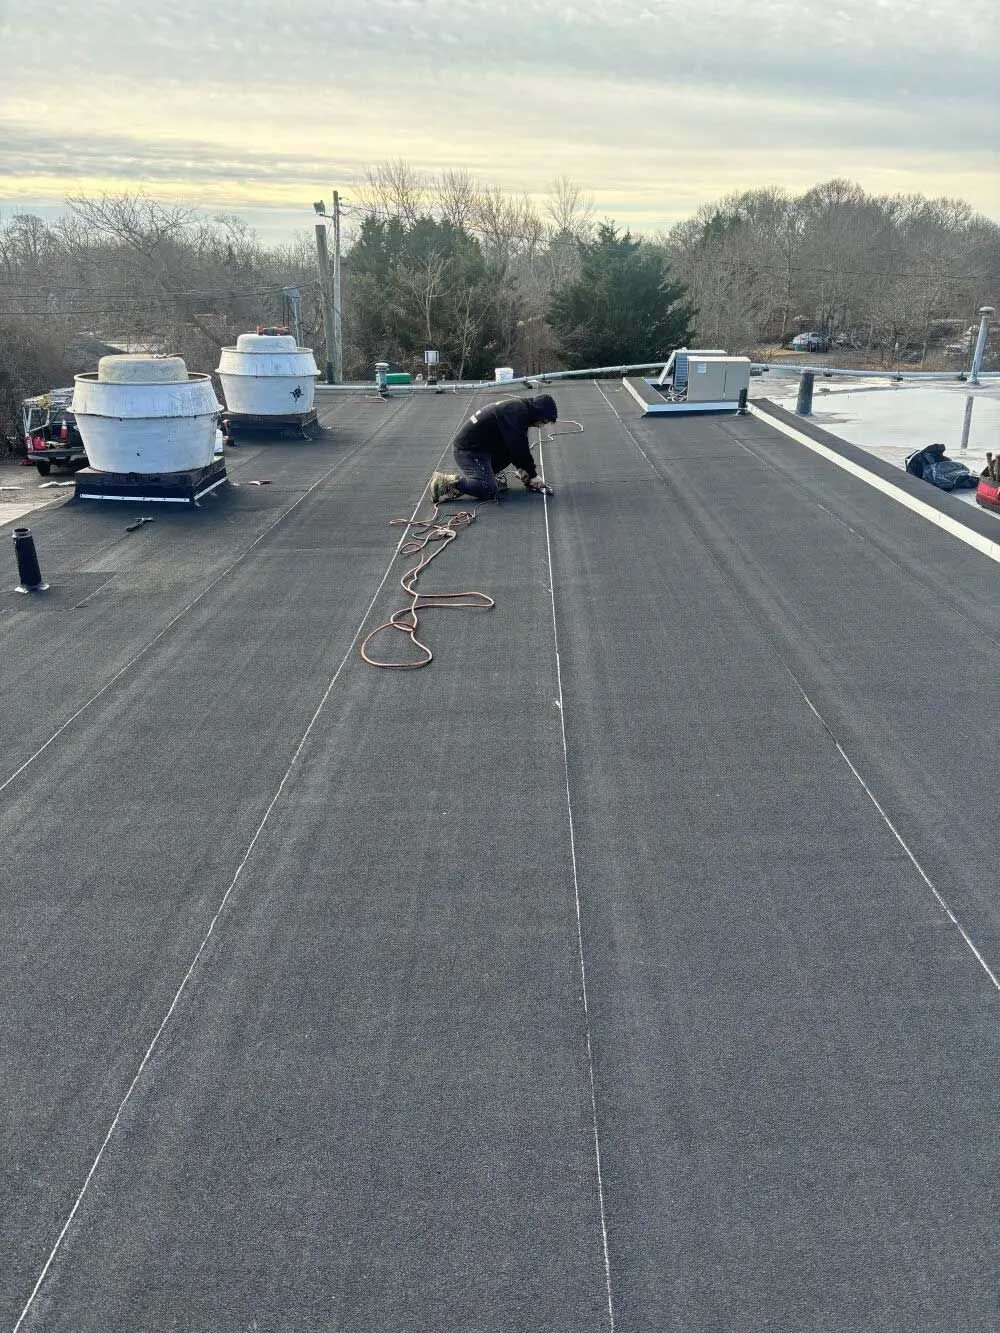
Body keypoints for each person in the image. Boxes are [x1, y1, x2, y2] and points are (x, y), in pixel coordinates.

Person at [430, 394, 558, 504]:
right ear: (539, 413)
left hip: (482, 448)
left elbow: (515, 446)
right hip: (468, 451)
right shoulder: (515, 411)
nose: (541, 426)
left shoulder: (519, 409)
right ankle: (445, 483)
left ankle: (487, 476)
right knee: (489, 489)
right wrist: (533, 475)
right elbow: (519, 446)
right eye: (544, 421)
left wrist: (525, 471)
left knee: (513, 448)